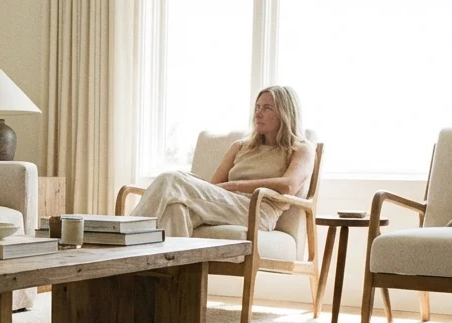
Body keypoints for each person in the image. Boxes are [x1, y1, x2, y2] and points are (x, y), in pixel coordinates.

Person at [133, 86, 316, 236]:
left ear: (285, 113)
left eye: (267, 108)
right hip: (226, 204)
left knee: (170, 179)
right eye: (257, 107)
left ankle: (123, 240)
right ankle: (175, 271)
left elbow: (288, 186)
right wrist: (228, 189)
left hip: (258, 211)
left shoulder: (301, 148)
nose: (258, 114)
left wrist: (235, 185)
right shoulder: (241, 146)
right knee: (176, 209)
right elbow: (213, 187)